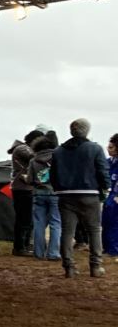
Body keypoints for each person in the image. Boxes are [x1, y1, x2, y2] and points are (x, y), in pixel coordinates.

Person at [52, 119, 108, 278]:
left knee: (67, 232)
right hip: (90, 194)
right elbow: (102, 171)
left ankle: (69, 267)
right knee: (94, 230)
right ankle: (96, 266)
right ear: (87, 131)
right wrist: (105, 188)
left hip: (66, 195)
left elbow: (53, 175)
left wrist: (58, 189)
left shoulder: (58, 152)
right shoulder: (95, 149)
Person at [29, 129, 60, 260]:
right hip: (55, 193)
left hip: (38, 194)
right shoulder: (58, 158)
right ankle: (53, 253)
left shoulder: (33, 161)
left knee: (39, 223)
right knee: (55, 223)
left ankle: (38, 252)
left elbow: (29, 180)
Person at [8, 131, 39, 256]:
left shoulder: (23, 148)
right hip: (22, 188)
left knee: (27, 219)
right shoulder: (22, 149)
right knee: (24, 219)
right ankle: (20, 247)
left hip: (25, 187)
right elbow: (34, 158)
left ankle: (24, 245)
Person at [103, 135, 118, 259]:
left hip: (115, 197)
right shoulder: (108, 162)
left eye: (111, 147)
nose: (108, 149)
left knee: (114, 223)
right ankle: (106, 247)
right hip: (107, 196)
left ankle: (113, 250)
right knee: (106, 222)